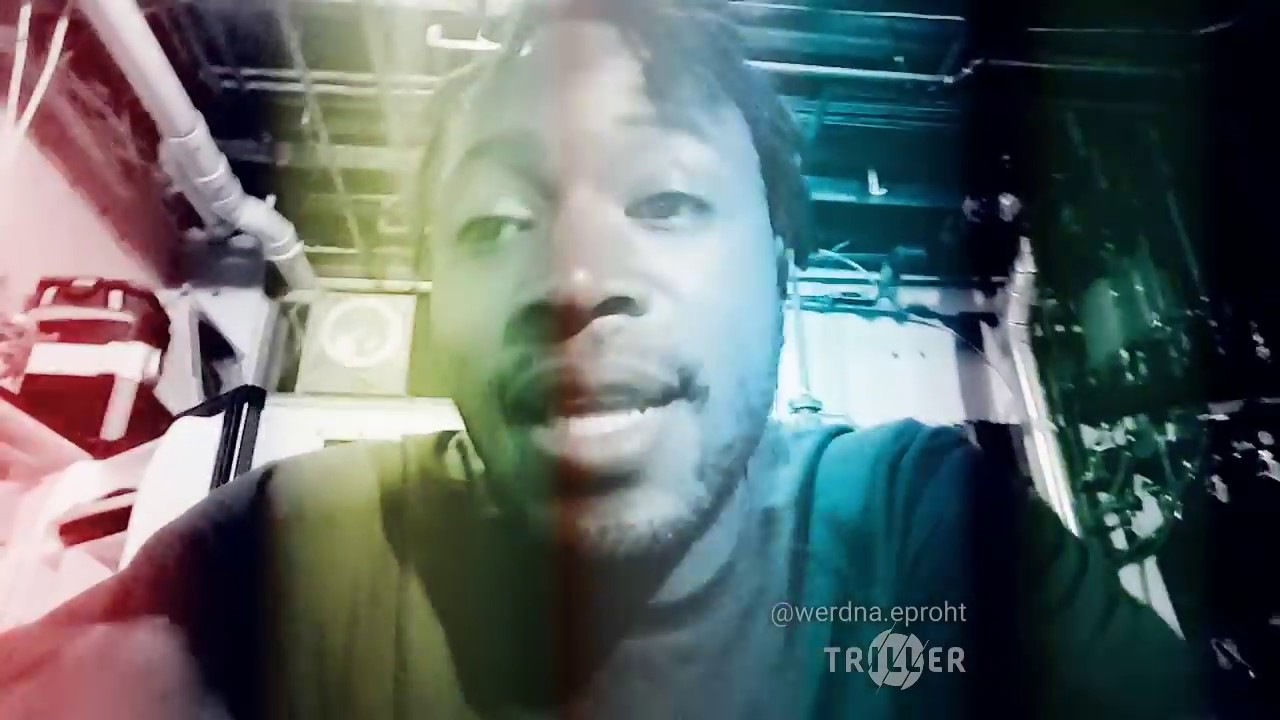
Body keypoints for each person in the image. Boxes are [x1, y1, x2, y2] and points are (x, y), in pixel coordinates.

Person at [0, 1, 1206, 718]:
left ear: (781, 267)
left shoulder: (916, 533)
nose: (573, 281)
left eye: (667, 200)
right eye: (495, 225)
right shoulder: (293, 550)